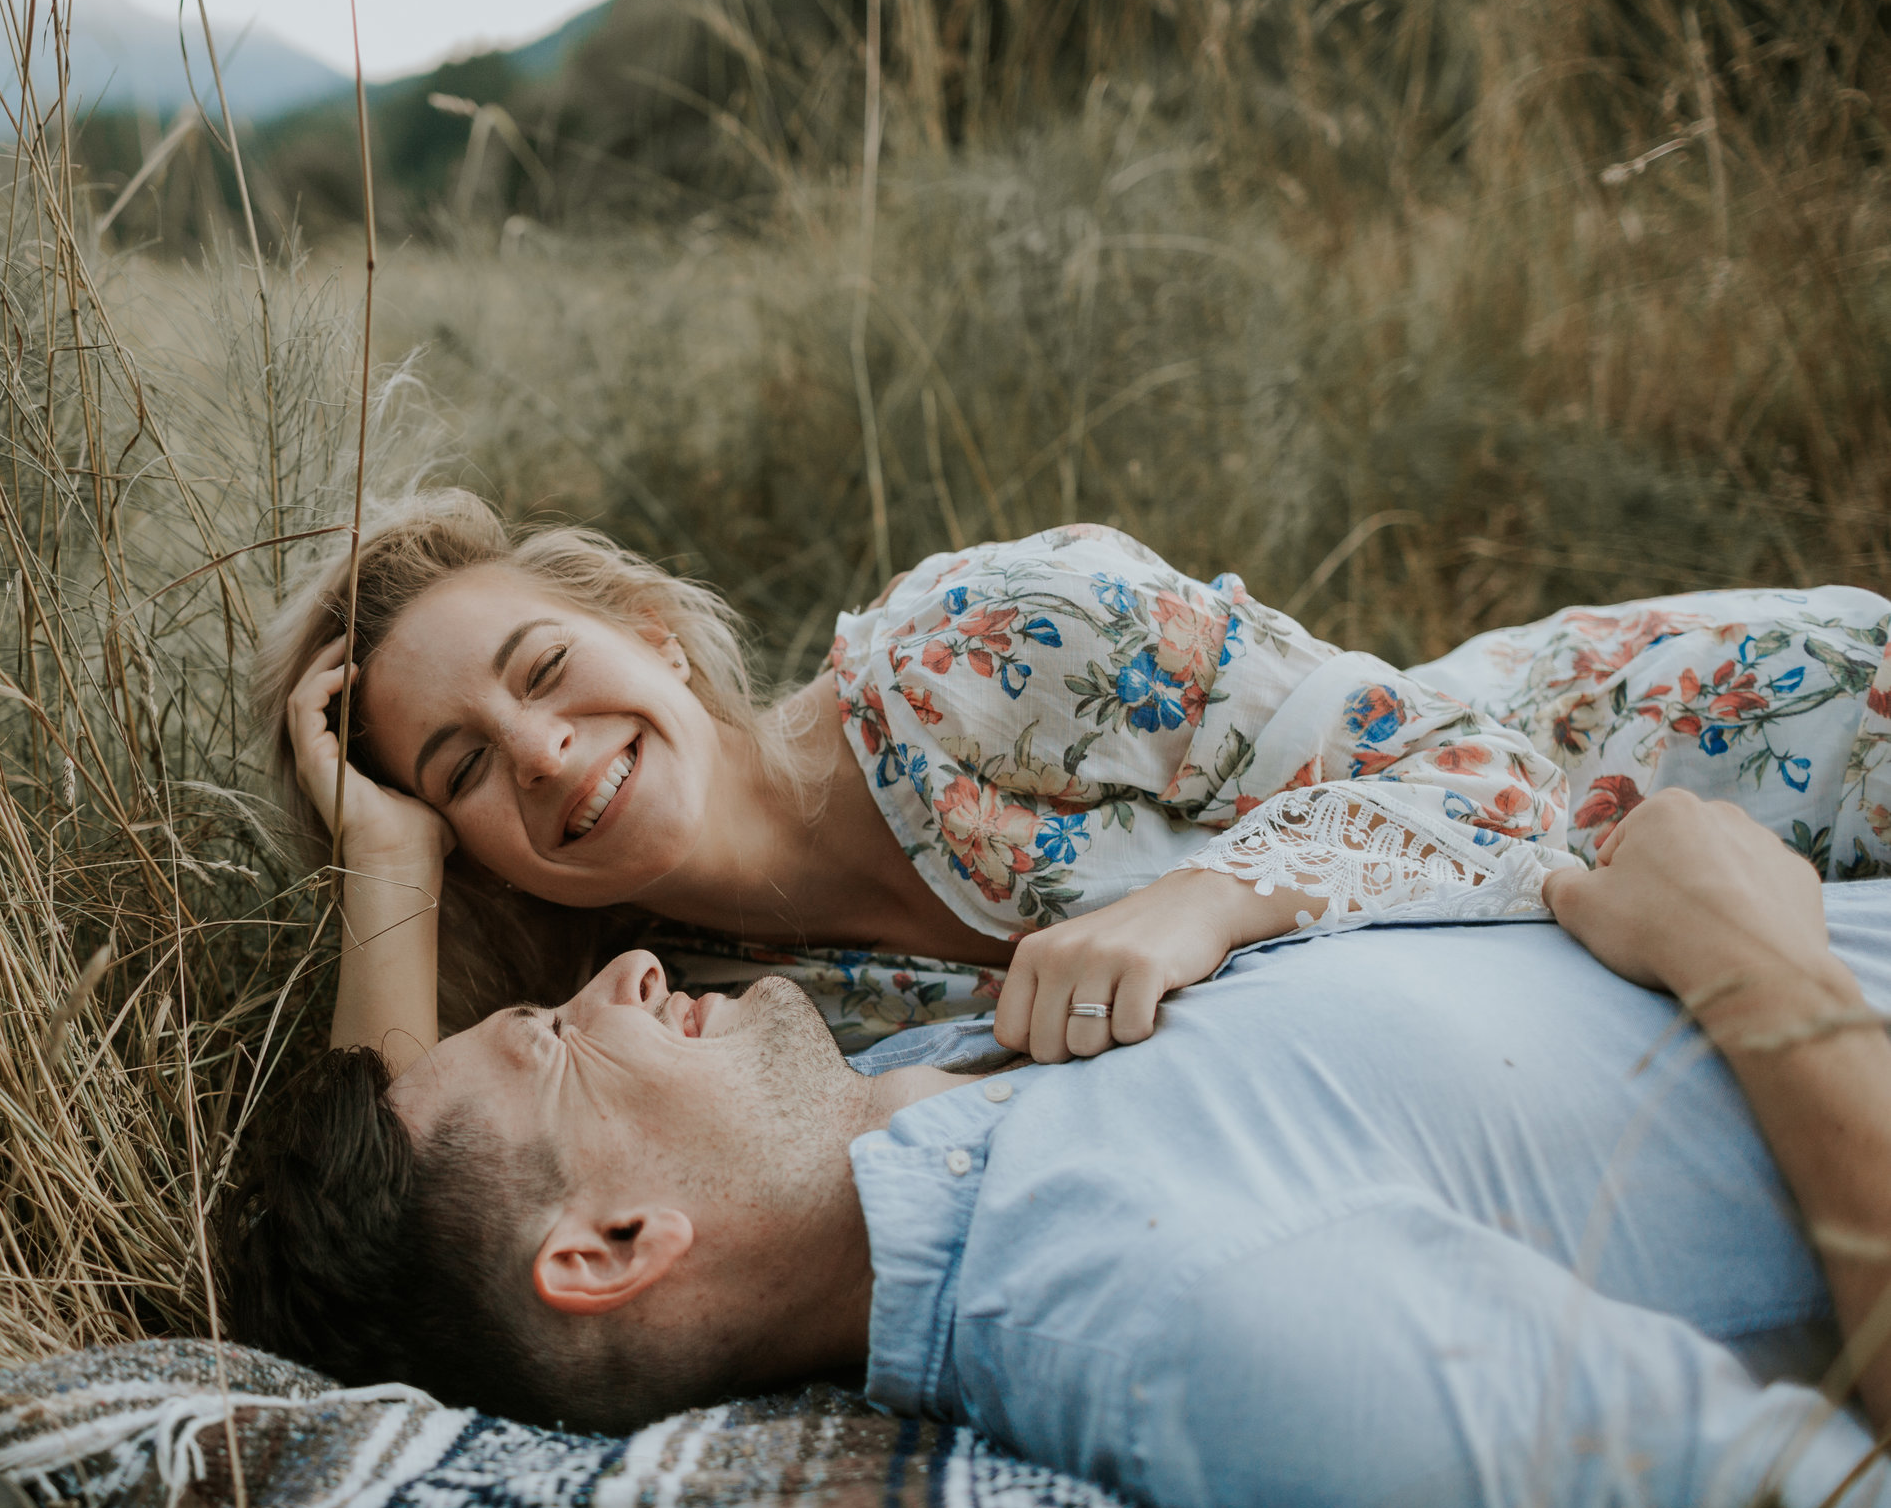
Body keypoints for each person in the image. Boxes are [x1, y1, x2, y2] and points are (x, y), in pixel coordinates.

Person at [224, 791, 1891, 1508]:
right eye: (558, 1037)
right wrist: (1765, 966)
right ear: (612, 1246)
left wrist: (392, 855)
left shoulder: (919, 1080)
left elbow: (415, 1190)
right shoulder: (1184, 1303)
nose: (620, 977)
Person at [259, 490, 1891, 1066]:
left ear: (650, 638)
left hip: (1735, 748)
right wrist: (386, 874)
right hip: (1652, 1002)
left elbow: (1492, 779)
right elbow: (413, 1217)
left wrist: (1206, 902)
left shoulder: (981, 644)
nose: (544, 753)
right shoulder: (700, 1013)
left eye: (546, 672)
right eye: (461, 769)